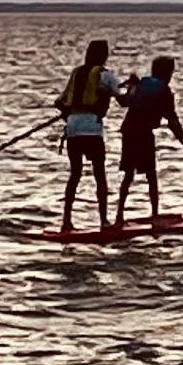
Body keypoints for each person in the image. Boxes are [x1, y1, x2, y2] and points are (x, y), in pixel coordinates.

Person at [112, 51, 183, 228]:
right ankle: (155, 215)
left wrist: (129, 86)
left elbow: (125, 101)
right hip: (143, 133)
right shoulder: (164, 91)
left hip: (129, 131)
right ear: (167, 74)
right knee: (151, 175)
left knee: (128, 174)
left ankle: (119, 216)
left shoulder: (142, 84)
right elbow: (173, 121)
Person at [53, 38, 118, 231]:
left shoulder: (76, 73)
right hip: (92, 130)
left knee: (75, 174)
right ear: (104, 56)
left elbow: (59, 102)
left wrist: (69, 114)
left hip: (73, 129)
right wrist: (132, 88)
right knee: (100, 175)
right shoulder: (105, 75)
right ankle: (104, 221)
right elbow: (122, 97)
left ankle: (66, 220)